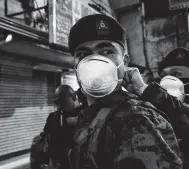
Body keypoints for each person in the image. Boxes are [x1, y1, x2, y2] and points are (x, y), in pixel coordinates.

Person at [67, 14, 182, 169]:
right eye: (82, 54)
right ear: (75, 66)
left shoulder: (138, 119)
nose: (95, 61)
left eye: (107, 52)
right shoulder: (85, 114)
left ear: (125, 62)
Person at [30, 85, 81, 169]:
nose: (59, 106)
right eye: (57, 103)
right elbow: (44, 143)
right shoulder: (53, 118)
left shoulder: (85, 116)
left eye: (63, 101)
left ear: (74, 97)